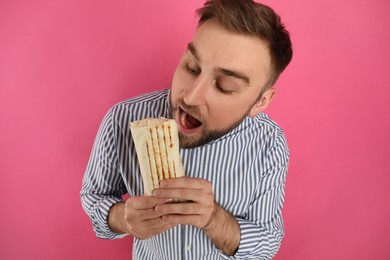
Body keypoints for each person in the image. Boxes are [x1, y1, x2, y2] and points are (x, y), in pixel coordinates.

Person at [81, 0, 293, 259]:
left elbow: (268, 241)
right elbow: (94, 195)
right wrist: (122, 219)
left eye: (224, 86)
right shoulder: (122, 119)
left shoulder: (269, 143)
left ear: (260, 101)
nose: (190, 97)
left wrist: (215, 220)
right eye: (191, 67)